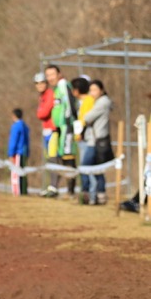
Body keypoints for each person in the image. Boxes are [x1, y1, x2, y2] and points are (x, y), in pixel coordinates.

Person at [41, 65, 77, 198]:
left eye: (52, 74)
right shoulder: (56, 89)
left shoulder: (63, 85)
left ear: (59, 74)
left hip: (67, 126)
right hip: (59, 128)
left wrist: (74, 123)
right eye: (48, 75)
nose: (50, 78)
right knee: (60, 156)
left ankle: (71, 191)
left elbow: (71, 104)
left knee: (68, 156)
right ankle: (64, 189)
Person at [82, 79, 113, 205]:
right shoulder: (97, 102)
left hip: (96, 141)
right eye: (91, 90)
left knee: (85, 167)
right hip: (94, 140)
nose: (92, 93)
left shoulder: (103, 102)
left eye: (95, 90)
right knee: (97, 169)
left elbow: (87, 117)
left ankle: (86, 194)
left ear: (102, 90)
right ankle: (99, 195)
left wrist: (87, 103)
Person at [71, 77, 96, 204]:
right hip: (82, 138)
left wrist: (80, 133)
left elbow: (86, 120)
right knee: (85, 167)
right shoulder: (81, 102)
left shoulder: (88, 101)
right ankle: (87, 194)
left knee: (88, 167)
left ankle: (91, 195)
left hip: (87, 139)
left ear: (76, 90)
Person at [35, 72, 57, 190]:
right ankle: (50, 185)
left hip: (52, 131)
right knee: (48, 158)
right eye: (37, 83)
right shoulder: (41, 97)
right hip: (46, 131)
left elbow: (43, 113)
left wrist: (40, 113)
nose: (40, 85)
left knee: (53, 158)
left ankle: (54, 186)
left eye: (42, 82)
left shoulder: (49, 94)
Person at [7, 108, 30, 196]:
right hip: (24, 152)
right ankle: (24, 191)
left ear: (14, 116)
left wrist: (10, 153)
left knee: (16, 173)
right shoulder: (25, 126)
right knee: (23, 173)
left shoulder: (16, 126)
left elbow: (13, 140)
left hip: (17, 153)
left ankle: (17, 192)